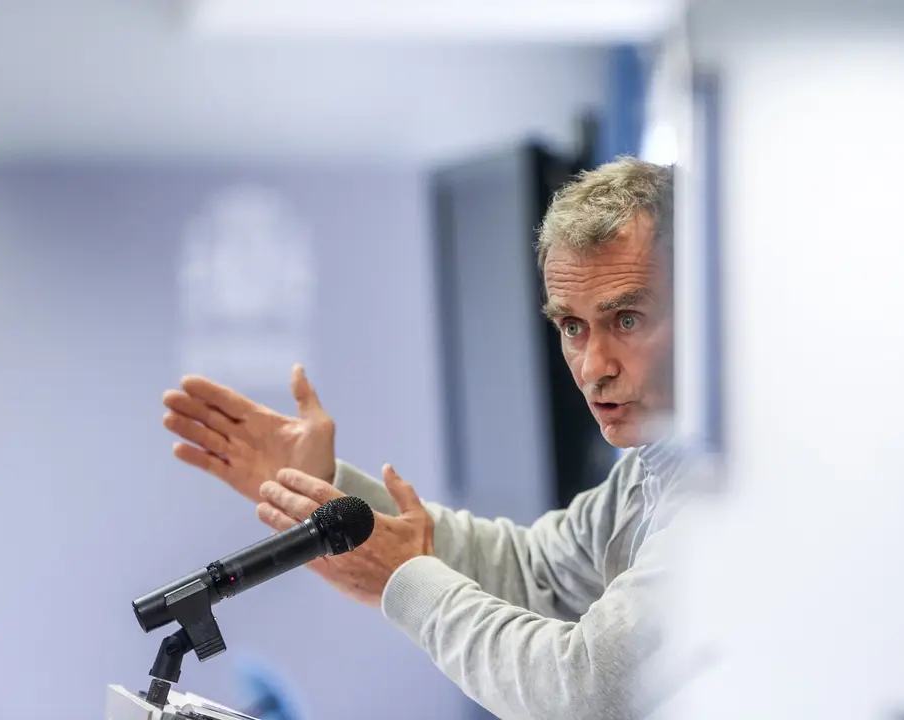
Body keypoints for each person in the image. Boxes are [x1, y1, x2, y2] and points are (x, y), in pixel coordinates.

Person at [162, 158, 693, 720]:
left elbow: (588, 692)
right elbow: (534, 572)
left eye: (628, 320)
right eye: (571, 327)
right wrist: (332, 496)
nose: (593, 367)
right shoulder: (648, 471)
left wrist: (405, 578)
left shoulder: (735, 493)